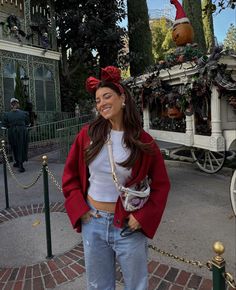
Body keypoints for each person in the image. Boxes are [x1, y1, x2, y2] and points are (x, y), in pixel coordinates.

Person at [62, 66, 170, 290]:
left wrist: (144, 216)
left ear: (122, 98)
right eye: (98, 100)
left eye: (107, 96)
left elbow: (161, 184)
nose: (101, 103)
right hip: (93, 221)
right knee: (98, 285)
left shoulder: (144, 141)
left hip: (129, 225)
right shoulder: (88, 134)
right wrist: (80, 210)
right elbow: (70, 175)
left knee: (136, 285)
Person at [2, 98, 30, 172]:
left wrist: (10, 125)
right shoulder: (24, 113)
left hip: (12, 132)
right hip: (22, 132)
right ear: (18, 104)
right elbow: (28, 124)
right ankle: (20, 164)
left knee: (14, 147)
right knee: (22, 146)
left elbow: (4, 126)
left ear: (11, 105)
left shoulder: (7, 114)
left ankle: (18, 162)